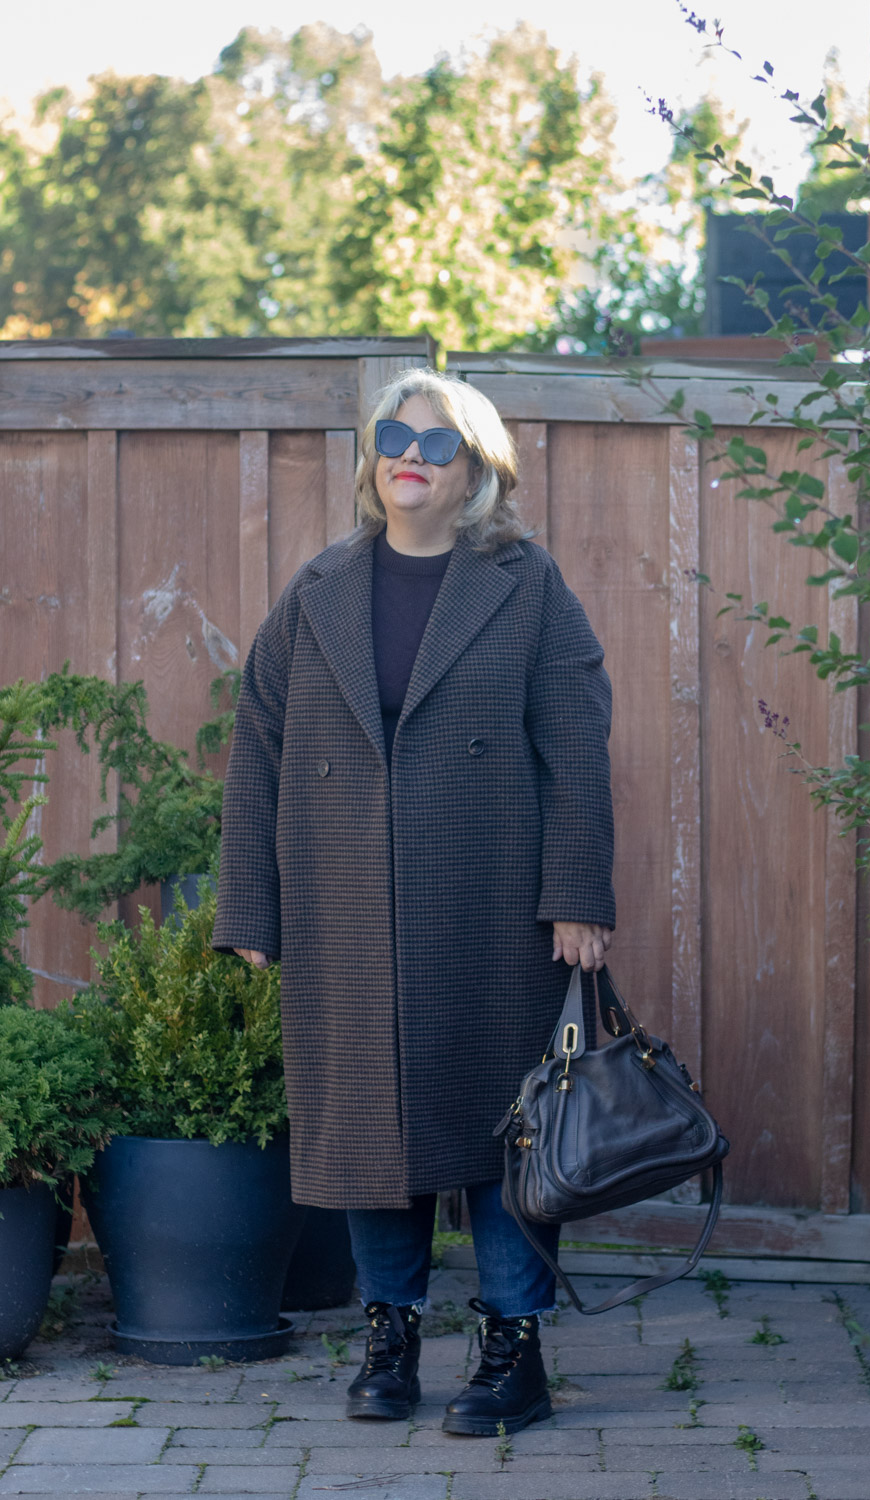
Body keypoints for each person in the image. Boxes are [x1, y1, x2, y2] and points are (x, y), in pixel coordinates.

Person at [213, 368, 614, 1436]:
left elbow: (574, 742)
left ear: (476, 469)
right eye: (395, 435)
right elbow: (257, 748)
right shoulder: (318, 589)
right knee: (364, 1133)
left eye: (438, 444)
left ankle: (510, 1350)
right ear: (372, 455)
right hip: (343, 903)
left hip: (486, 903)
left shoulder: (525, 585)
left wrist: (576, 892)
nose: (411, 456)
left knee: (498, 1134)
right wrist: (251, 907)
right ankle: (387, 1337)